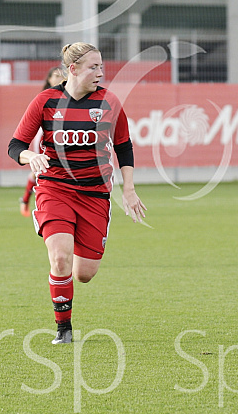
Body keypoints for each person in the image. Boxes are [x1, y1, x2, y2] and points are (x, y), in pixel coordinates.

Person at [8, 43, 147, 344]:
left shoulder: (109, 102)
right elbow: (15, 145)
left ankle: (63, 241)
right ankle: (64, 329)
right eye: (93, 67)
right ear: (73, 69)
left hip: (95, 194)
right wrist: (30, 157)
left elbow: (123, 147)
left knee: (84, 273)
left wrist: (130, 190)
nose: (100, 72)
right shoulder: (45, 101)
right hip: (54, 188)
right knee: (59, 258)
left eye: (101, 66)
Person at [19, 67, 65, 217]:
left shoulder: (68, 95)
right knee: (39, 167)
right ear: (49, 79)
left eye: (61, 76)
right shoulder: (44, 97)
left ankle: (28, 199)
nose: (59, 79)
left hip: (63, 137)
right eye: (56, 76)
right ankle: (29, 199)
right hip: (45, 136)